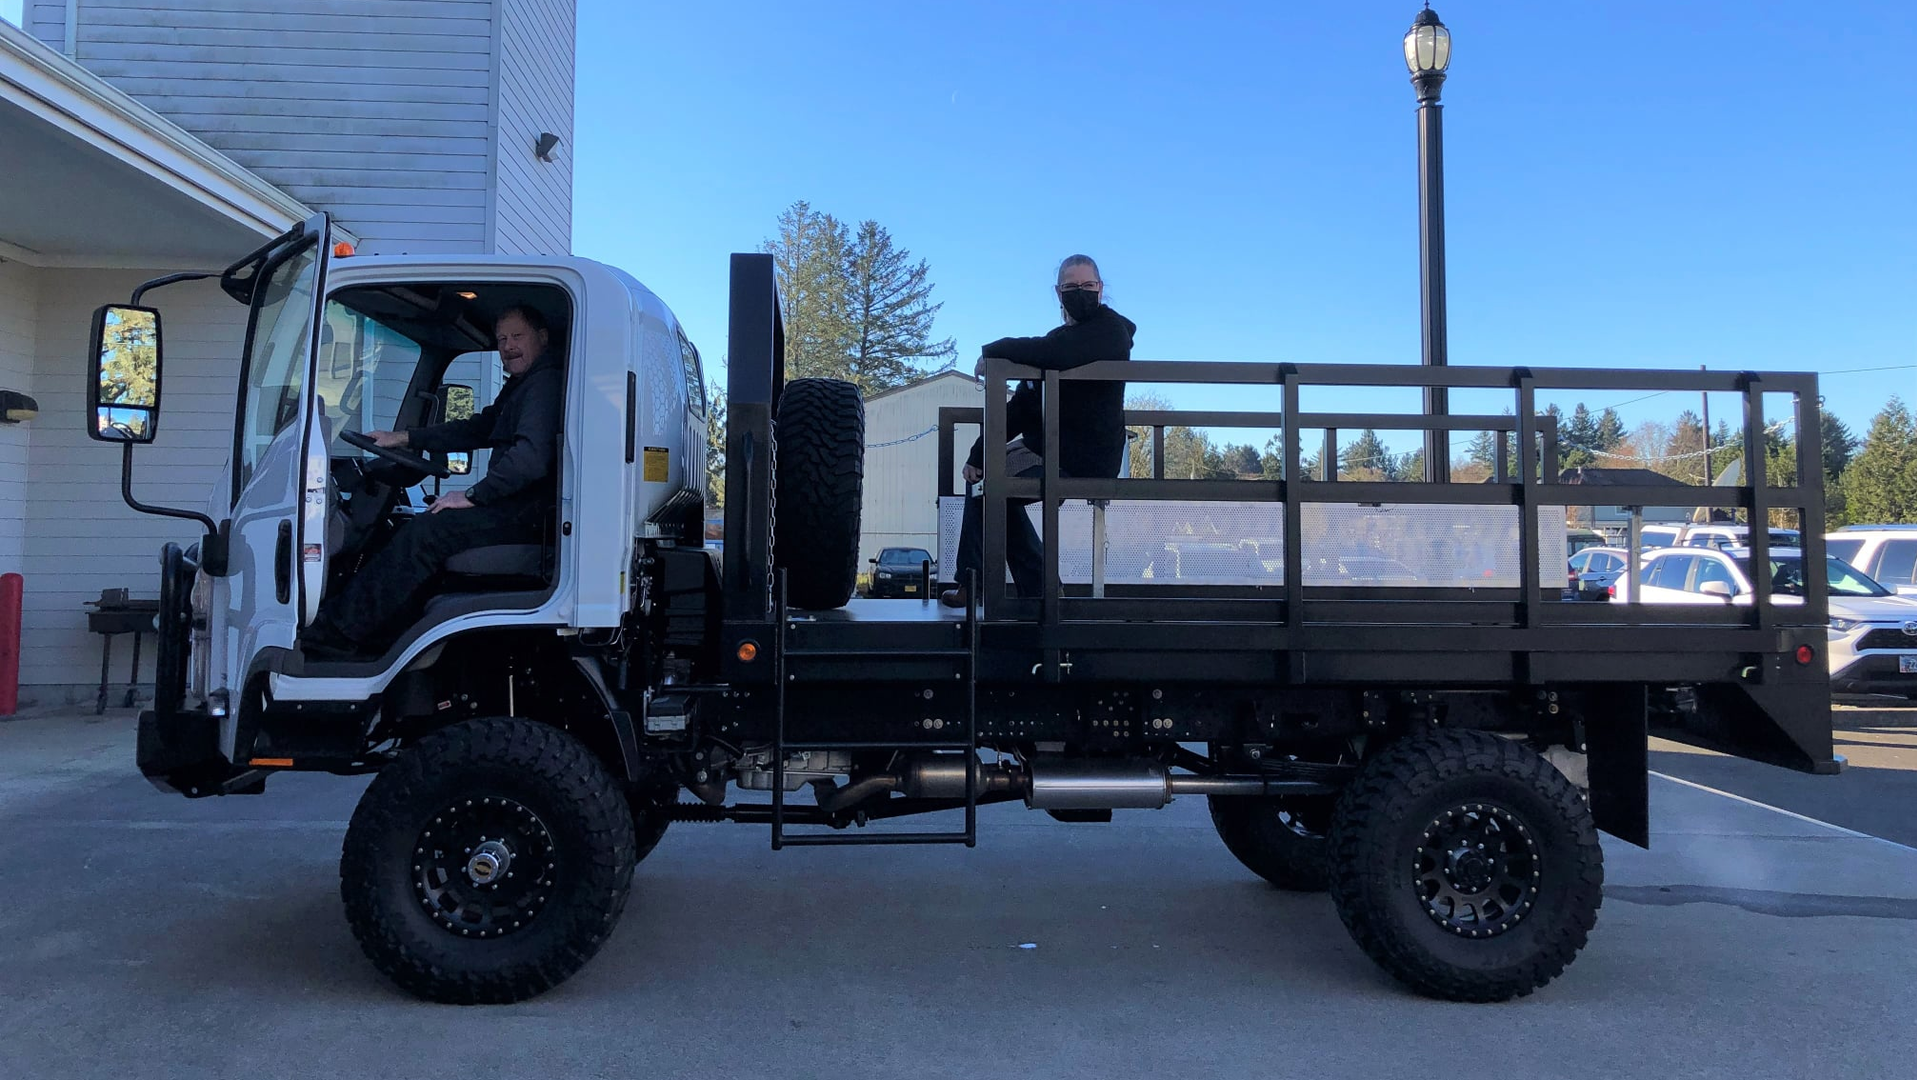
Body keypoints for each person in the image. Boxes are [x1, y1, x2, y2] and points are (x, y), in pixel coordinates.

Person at [304, 306, 563, 657]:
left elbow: (529, 460)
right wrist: (405, 438)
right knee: (411, 525)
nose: (508, 347)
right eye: (502, 339)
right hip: (519, 510)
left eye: (517, 336)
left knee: (425, 533)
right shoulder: (524, 385)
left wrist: (474, 494)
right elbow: (478, 427)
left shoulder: (544, 384)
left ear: (542, 337)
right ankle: (379, 631)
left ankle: (333, 635)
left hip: (525, 516)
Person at [943, 255, 1134, 607]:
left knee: (996, 493)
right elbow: (1022, 407)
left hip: (1084, 459)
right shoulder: (1058, 338)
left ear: (1100, 288)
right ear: (1058, 292)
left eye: (1087, 286)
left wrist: (994, 352)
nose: (1080, 292)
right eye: (1071, 287)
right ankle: (1023, 588)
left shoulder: (1112, 332)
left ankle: (1026, 588)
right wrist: (979, 452)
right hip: (1045, 449)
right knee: (984, 485)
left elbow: (1056, 353)